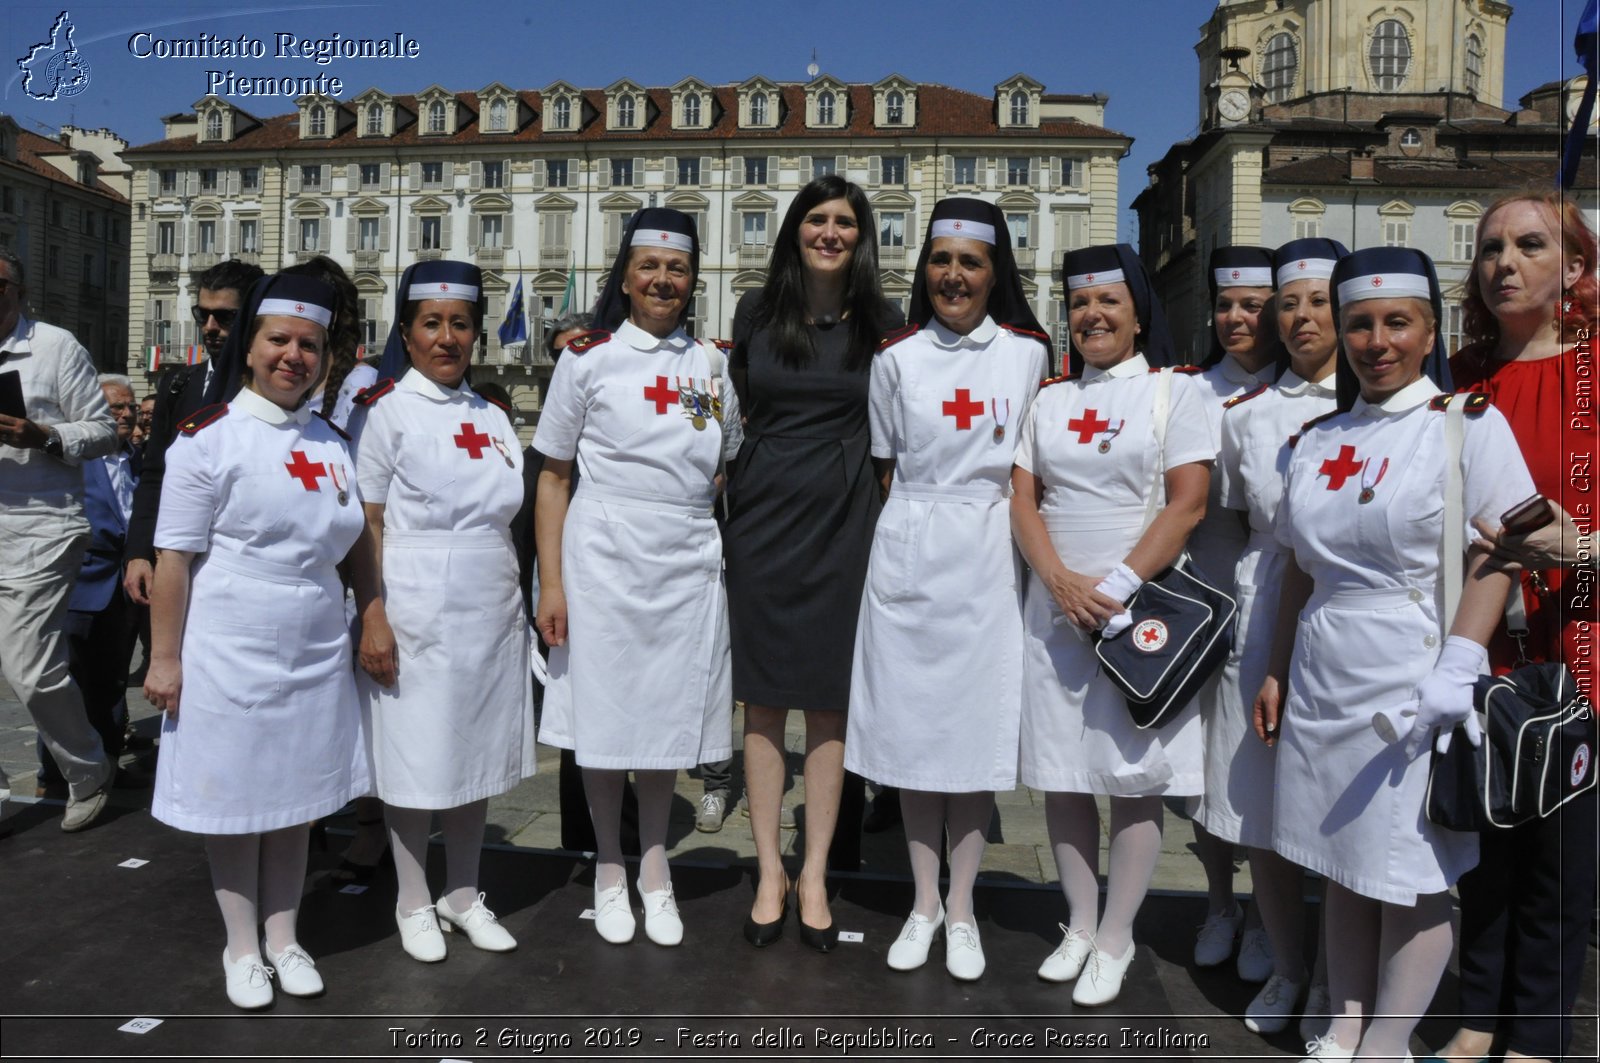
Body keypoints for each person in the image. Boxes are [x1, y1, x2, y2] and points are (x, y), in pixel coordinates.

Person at [1254, 246, 1534, 1063]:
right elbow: (1298, 573)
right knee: (1340, 859)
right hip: (1322, 669)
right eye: (1360, 325)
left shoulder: (1467, 425)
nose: (1377, 341)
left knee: (1412, 871)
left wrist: (1459, 663)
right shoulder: (1315, 439)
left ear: (1428, 330)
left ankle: (1389, 1040)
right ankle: (1343, 1025)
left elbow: (1503, 550)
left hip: (1417, 677)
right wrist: (1275, 666)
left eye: (1396, 323)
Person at [143, 273, 368, 1008]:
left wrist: (374, 608)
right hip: (230, 642)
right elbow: (174, 559)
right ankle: (242, 946)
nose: (294, 356)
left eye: (309, 344)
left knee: (298, 797)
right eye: (279, 340)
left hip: (314, 643)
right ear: (251, 347)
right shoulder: (207, 440)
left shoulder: (331, 442)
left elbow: (352, 543)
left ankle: (285, 935)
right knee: (237, 800)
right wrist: (167, 659)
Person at [845, 197, 1049, 982]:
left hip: (990, 554)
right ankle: (921, 900)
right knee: (912, 738)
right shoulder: (895, 357)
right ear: (923, 269)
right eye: (940, 261)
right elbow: (887, 463)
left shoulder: (1028, 354)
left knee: (972, 740)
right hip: (913, 545)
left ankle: (962, 906)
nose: (953, 276)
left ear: (994, 272)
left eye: (970, 262)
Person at [534, 208, 742, 948]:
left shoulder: (711, 366)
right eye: (649, 265)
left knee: (664, 719)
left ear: (692, 280)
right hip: (602, 557)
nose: (662, 279)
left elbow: (726, 467)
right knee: (604, 721)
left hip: (686, 559)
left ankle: (656, 865)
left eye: (677, 268)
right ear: (624, 275)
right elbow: (553, 478)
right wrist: (550, 584)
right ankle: (611, 865)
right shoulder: (585, 360)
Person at [1012, 242, 1211, 1006]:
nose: (1093, 315)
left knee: (1132, 778)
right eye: (1081, 303)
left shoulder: (1172, 393)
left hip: (1140, 606)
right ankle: (1078, 922)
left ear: (1137, 312)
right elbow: (1023, 499)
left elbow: (1187, 501)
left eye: (1109, 302)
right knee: (1062, 774)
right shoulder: (1049, 400)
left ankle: (1118, 934)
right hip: (1058, 607)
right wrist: (1058, 580)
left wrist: (1122, 584)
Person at [1431, 193, 1599, 1063]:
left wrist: (1584, 545)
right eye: (1491, 246)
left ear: (1573, 268)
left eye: (1530, 245)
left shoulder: (1598, 373)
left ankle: (1536, 1035)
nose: (1504, 261)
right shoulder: (1457, 381)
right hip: (1479, 648)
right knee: (1483, 851)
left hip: (1581, 651)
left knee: (1559, 865)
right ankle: (1477, 1019)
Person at [723, 175, 902, 948]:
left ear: (862, 238)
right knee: (762, 701)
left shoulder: (883, 321)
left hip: (844, 516)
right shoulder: (755, 313)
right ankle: (769, 869)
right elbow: (735, 406)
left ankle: (817, 870)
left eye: (845, 223)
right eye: (816, 220)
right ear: (795, 230)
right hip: (763, 513)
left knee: (830, 701)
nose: (830, 232)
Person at [350, 259, 535, 962]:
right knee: (414, 754)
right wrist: (373, 615)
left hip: (488, 602)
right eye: (432, 324)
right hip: (414, 595)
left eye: (460, 324)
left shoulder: (490, 416)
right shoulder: (386, 412)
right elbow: (366, 522)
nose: (447, 338)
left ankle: (464, 891)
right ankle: (411, 895)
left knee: (475, 751)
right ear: (407, 330)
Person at [1208, 238, 1348, 1036]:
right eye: (1287, 304)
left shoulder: (1383, 408)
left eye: (1317, 302)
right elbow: (1237, 519)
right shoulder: (1248, 418)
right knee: (1260, 807)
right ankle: (1291, 965)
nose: (1299, 318)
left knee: (1332, 804)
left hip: (1346, 614)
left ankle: (1335, 973)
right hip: (1262, 607)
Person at [1185, 246, 1284, 979]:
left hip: (1265, 596)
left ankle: (1263, 916)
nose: (1236, 318)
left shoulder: (1301, 392)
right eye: (1226, 305)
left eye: (1253, 305)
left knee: (1255, 767)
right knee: (1198, 771)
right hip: (1195, 591)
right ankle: (1219, 901)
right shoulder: (1186, 389)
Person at [0, 246, 118, 830]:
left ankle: (88, 768)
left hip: (40, 525)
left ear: (16, 291)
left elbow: (104, 432)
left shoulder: (54, 346)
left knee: (29, 669)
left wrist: (40, 433)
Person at [124, 259, 265, 608]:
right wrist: (139, 552)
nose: (210, 327)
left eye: (225, 317)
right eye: (202, 315)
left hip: (246, 563)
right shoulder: (179, 384)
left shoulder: (274, 387)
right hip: (173, 562)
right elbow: (155, 475)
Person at [36, 374, 145, 797]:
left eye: (129, 406)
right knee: (66, 683)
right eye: (114, 407)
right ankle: (55, 776)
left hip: (125, 588)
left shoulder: (138, 458)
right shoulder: (77, 459)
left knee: (112, 682)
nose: (125, 414)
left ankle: (108, 767)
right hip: (78, 585)